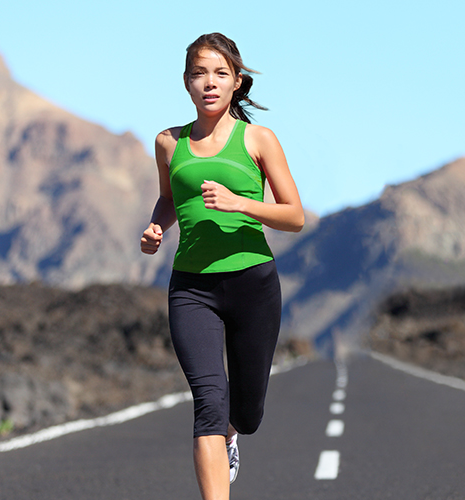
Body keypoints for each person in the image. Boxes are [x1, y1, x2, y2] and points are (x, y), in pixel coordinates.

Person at [140, 32, 304, 499]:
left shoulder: (257, 139)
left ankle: (234, 433)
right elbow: (169, 199)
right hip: (191, 288)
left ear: (236, 82)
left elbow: (294, 215)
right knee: (208, 401)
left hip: (253, 283)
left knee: (246, 412)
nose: (209, 83)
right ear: (186, 83)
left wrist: (240, 204)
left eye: (220, 73)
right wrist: (157, 227)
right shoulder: (169, 143)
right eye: (199, 73)